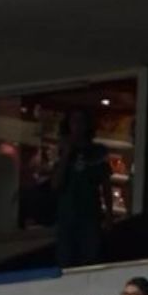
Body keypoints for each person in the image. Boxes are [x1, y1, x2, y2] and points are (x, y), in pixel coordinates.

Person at [55, 110, 109, 269]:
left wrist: (109, 215)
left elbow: (106, 185)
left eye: (81, 122)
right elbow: (56, 184)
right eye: (74, 122)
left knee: (89, 262)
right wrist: (66, 154)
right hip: (67, 218)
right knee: (66, 263)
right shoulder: (63, 152)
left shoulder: (97, 153)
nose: (77, 126)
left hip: (90, 217)